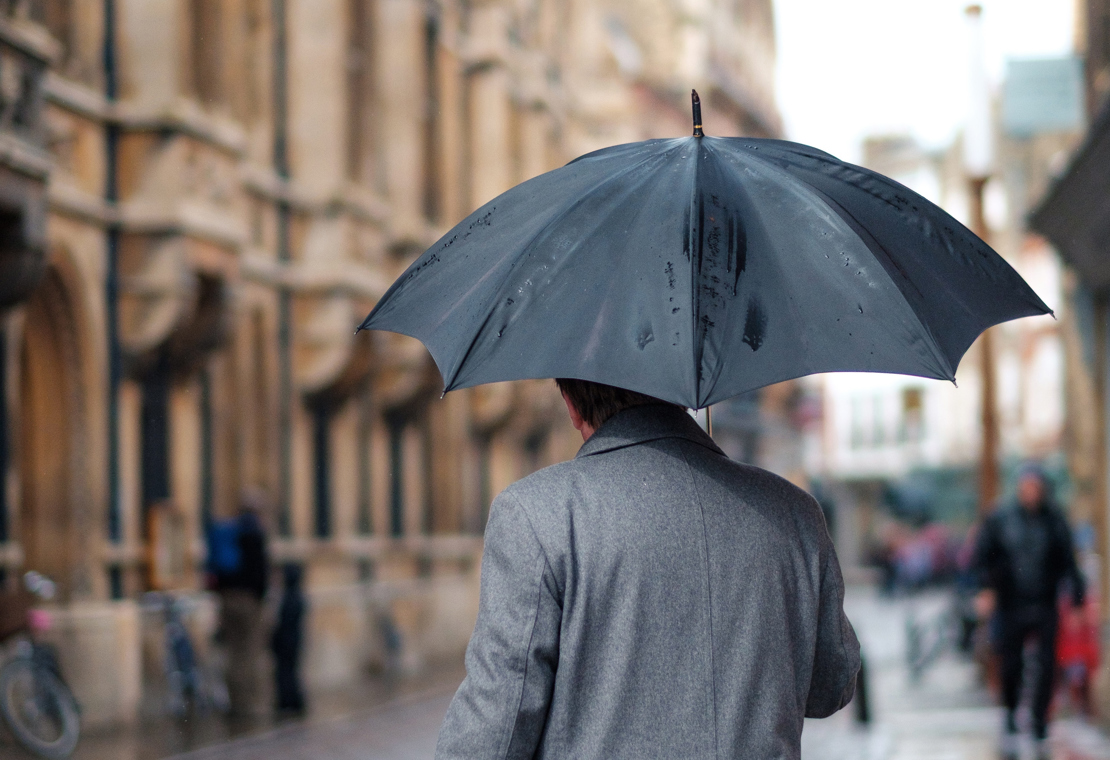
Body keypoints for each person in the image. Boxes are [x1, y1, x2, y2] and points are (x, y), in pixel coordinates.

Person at [436, 379, 860, 759]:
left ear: (571, 404)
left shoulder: (537, 513)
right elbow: (831, 685)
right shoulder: (794, 512)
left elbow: (496, 728)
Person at [973, 464, 1085, 760]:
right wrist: (985, 589)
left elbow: (1069, 562)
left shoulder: (1054, 520)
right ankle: (1010, 715)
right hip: (1010, 604)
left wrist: (1076, 599)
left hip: (1045, 603)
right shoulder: (1001, 518)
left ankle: (1039, 722)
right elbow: (983, 556)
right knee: (1011, 664)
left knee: (1047, 665)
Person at [213, 489, 271, 719]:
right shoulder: (255, 535)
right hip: (249, 601)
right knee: (249, 652)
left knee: (233, 651)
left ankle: (233, 700)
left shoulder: (230, 532)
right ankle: (246, 705)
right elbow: (260, 575)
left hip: (226, 598)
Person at [271, 563, 307, 715]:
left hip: (287, 641)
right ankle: (293, 700)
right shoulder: (297, 596)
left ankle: (288, 701)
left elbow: (283, 622)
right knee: (291, 671)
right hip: (293, 640)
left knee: (285, 672)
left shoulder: (289, 598)